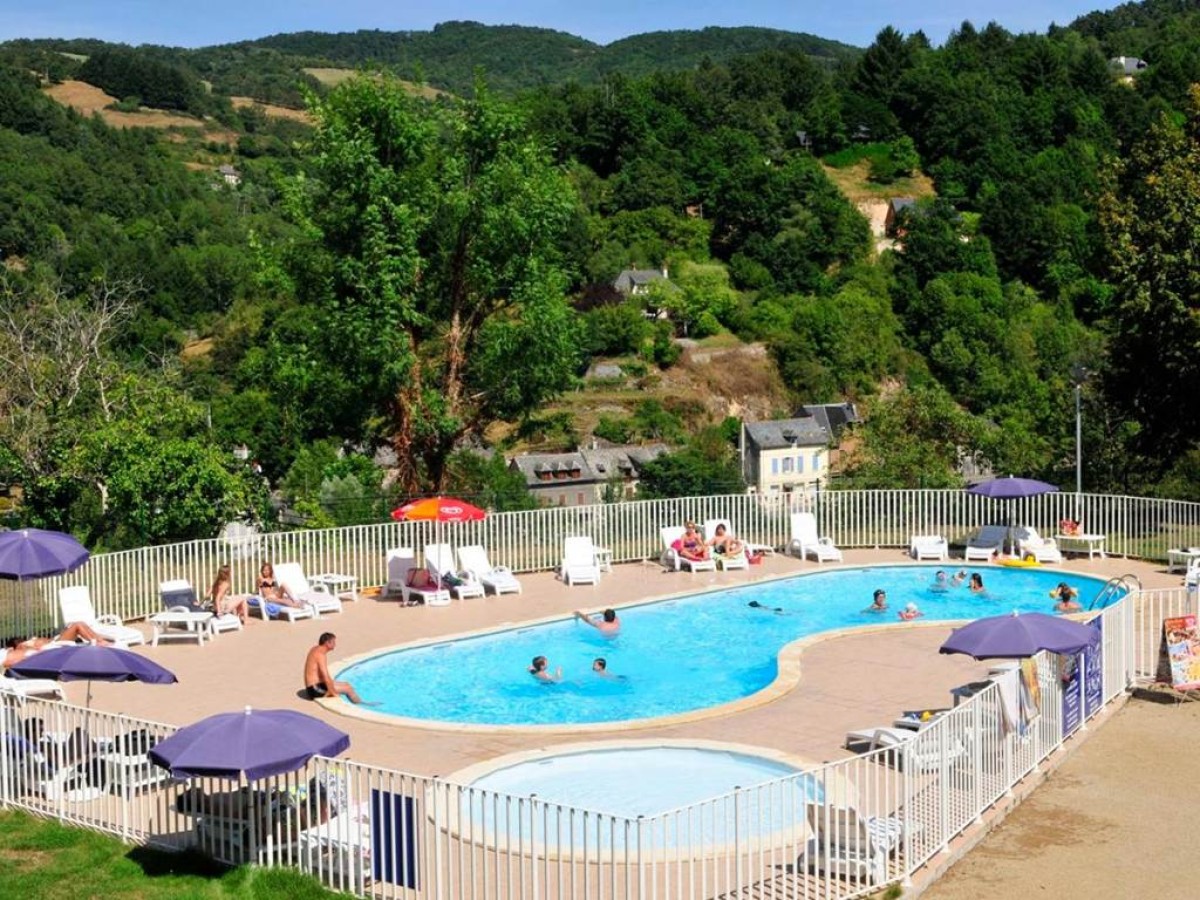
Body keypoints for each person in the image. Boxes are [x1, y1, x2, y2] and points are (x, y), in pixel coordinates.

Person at [3, 622, 110, 668]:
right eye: (17, 641)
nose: (19, 640)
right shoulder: (22, 646)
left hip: (53, 642)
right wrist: (37, 647)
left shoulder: (25, 645)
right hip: (53, 645)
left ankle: (98, 640)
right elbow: (35, 650)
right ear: (13, 646)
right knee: (77, 625)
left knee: (78, 624)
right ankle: (97, 641)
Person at [303, 633, 368, 704]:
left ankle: (359, 701)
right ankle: (360, 704)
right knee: (348, 689)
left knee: (347, 684)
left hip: (314, 686)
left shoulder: (315, 649)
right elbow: (325, 675)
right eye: (333, 642)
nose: (335, 645)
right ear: (327, 643)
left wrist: (331, 686)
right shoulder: (320, 655)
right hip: (315, 690)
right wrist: (333, 692)